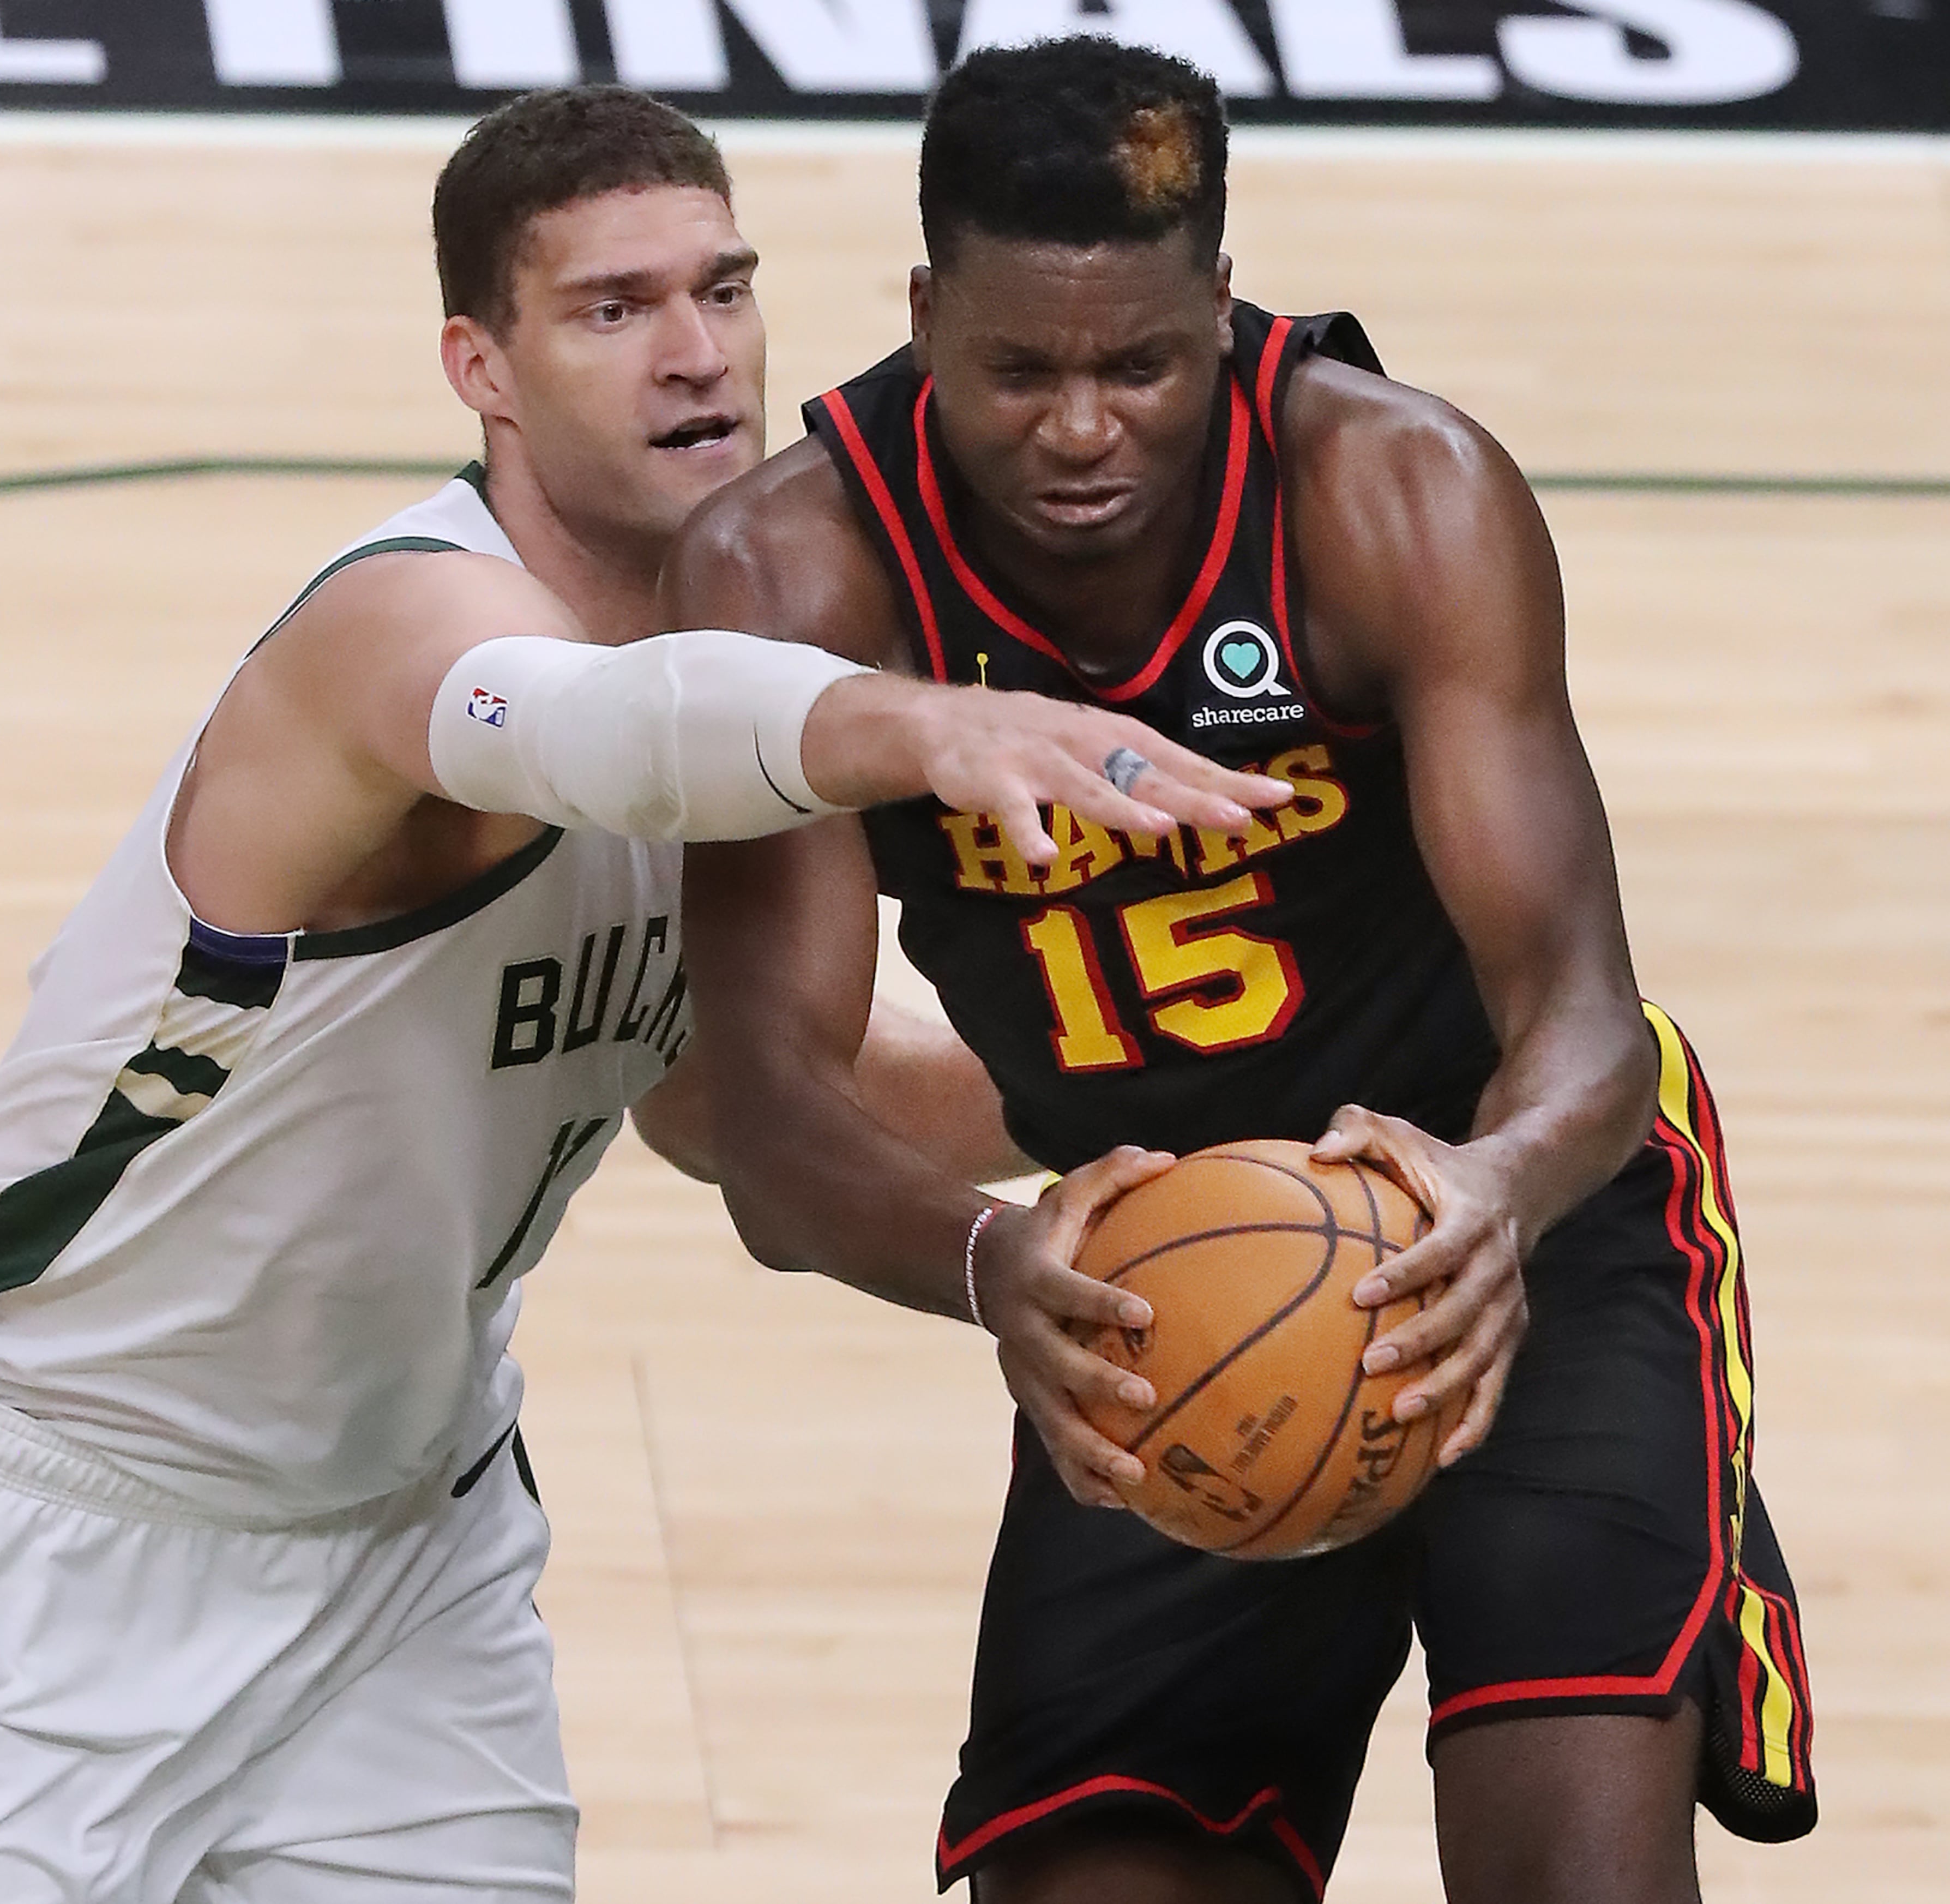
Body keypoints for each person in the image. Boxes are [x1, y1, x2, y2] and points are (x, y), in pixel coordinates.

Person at [0, 86, 1295, 1904]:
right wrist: (933, 719)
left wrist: (1195, 1050)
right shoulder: (406, 634)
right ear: (483, 364)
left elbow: (734, 1102)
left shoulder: (736, 694)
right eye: (614, 310)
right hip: (40, 1538)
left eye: (724, 288)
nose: (696, 354)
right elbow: (603, 734)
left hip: (401, 1560)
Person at [670, 38, 1816, 1904]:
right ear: (921, 312)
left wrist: (1499, 1190)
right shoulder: (791, 575)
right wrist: (990, 1259)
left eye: (1140, 365)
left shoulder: (1400, 494)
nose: (1080, 427)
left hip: (1527, 1217)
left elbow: (1586, 1016)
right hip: (1160, 1287)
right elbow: (768, 1121)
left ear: (1223, 301)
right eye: (1018, 370)